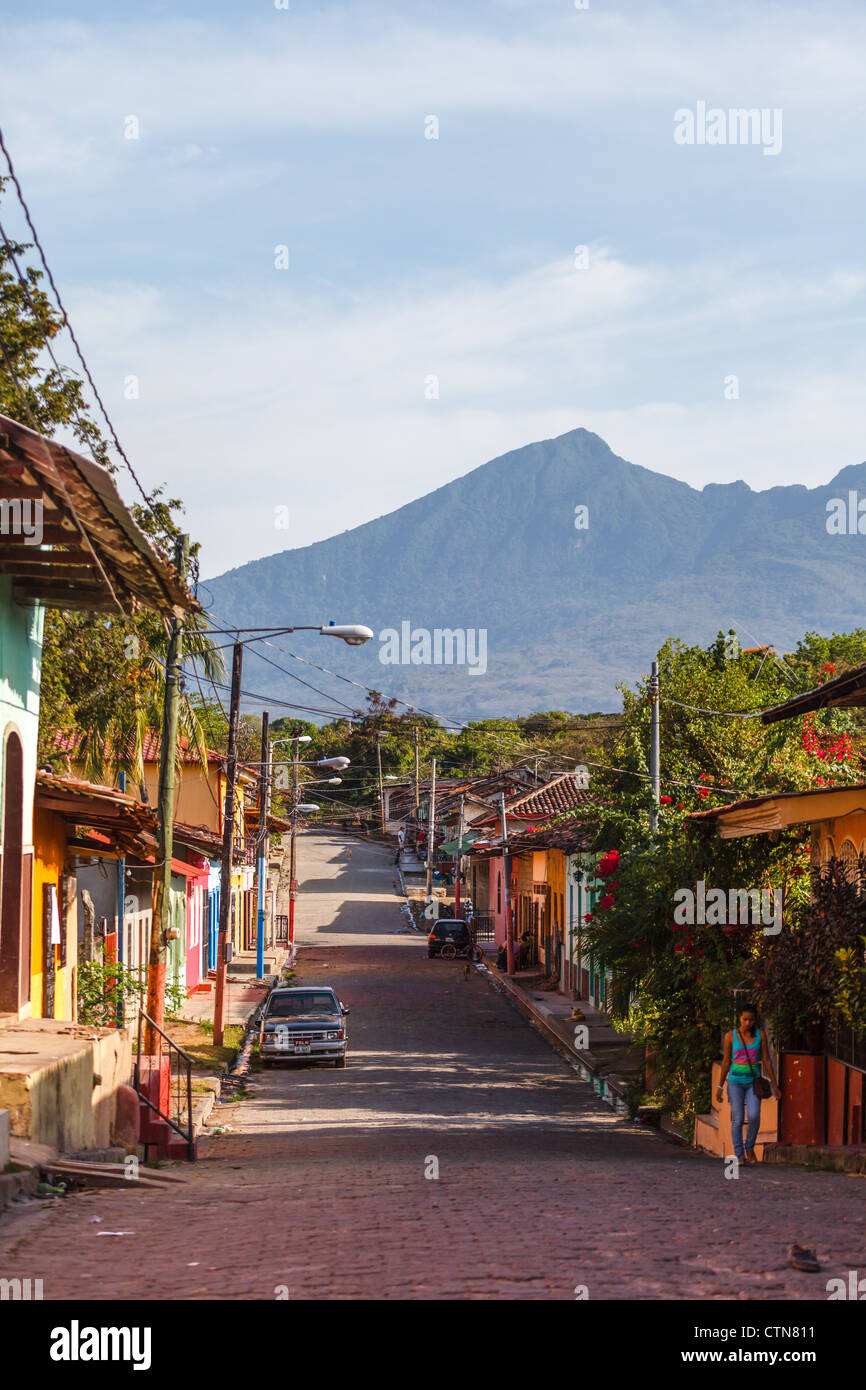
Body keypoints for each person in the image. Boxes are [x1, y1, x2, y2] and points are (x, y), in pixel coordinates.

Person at [716, 1002, 780, 1164]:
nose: (747, 1023)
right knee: (737, 1118)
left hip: (753, 1083)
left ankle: (749, 1146)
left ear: (755, 1020)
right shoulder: (730, 1036)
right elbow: (725, 1062)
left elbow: (766, 1059)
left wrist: (774, 1084)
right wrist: (719, 1086)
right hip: (735, 1083)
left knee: (753, 1115)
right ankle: (740, 1155)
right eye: (745, 1019)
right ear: (740, 1018)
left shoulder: (760, 1035)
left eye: (751, 1020)